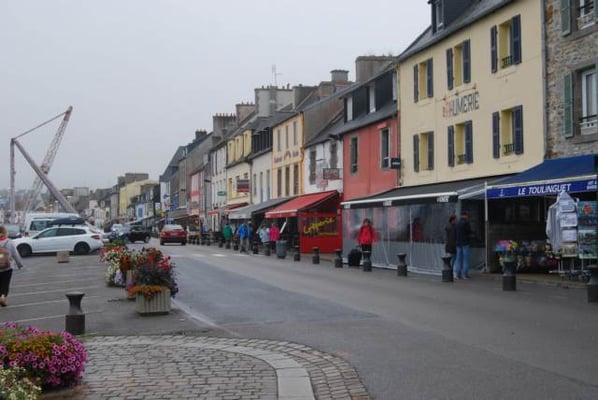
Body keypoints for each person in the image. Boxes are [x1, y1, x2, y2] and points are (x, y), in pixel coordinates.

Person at [0, 225, 24, 307]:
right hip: (7, 267)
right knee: (5, 283)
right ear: (5, 232)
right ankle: (3, 296)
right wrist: (19, 264)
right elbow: (15, 254)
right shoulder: (9, 242)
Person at [454, 211, 472, 279]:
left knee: (458, 259)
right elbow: (469, 231)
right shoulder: (466, 223)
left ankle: (458, 274)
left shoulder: (457, 223)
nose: (467, 217)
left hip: (458, 243)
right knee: (465, 259)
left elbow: (455, 232)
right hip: (465, 243)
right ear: (465, 215)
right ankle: (465, 274)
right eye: (467, 215)